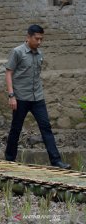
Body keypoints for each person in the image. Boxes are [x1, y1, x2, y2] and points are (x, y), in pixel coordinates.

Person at [5, 24, 71, 169]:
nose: (39, 42)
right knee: (16, 128)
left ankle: (56, 161)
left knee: (46, 127)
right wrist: (11, 95)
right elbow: (9, 73)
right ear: (28, 37)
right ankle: (9, 159)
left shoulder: (40, 54)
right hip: (21, 97)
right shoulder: (17, 52)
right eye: (37, 39)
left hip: (37, 98)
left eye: (41, 39)